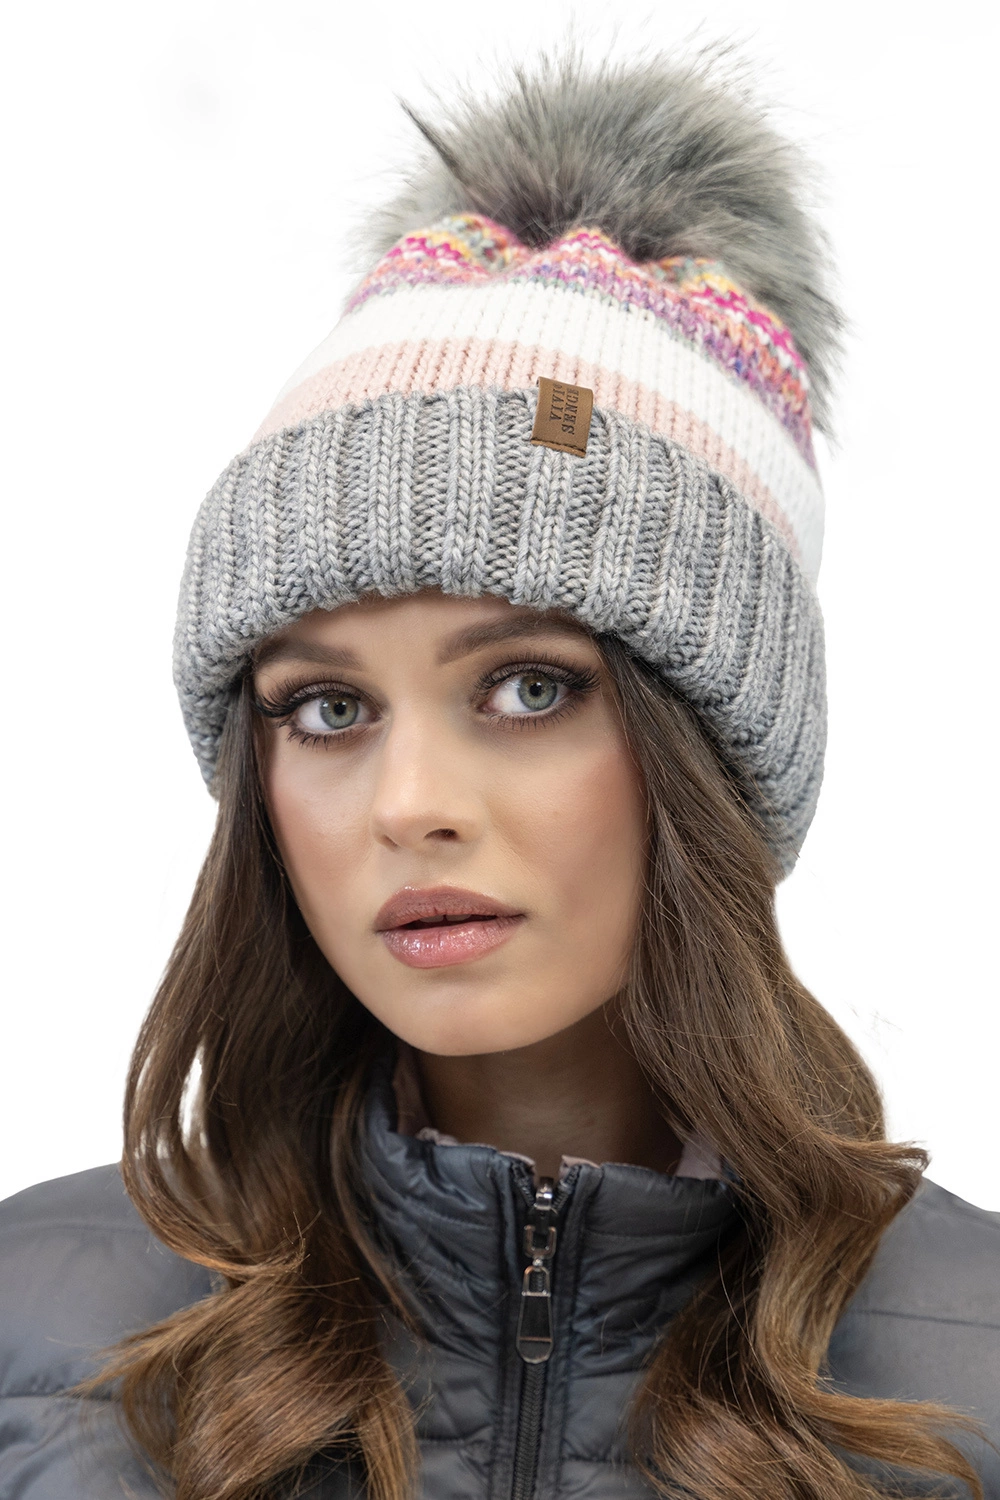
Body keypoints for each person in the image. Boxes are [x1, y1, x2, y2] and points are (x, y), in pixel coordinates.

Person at [1, 49, 997, 1500]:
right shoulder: (34, 1321)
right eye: (327, 708)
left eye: (529, 688)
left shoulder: (976, 1366)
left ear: (715, 745)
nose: (411, 804)